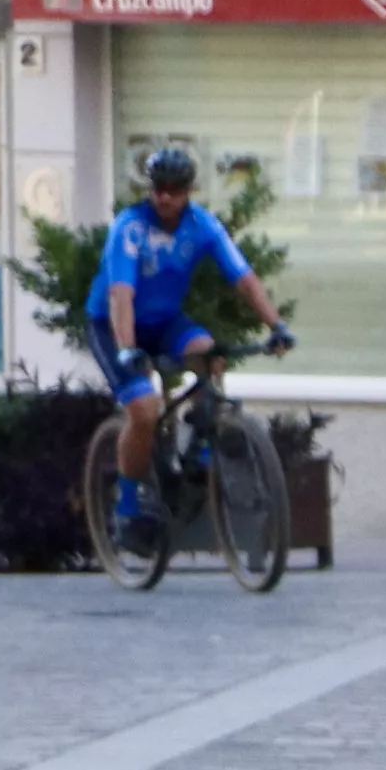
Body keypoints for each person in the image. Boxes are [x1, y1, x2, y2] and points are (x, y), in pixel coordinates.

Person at [98, 147, 287, 536]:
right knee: (145, 412)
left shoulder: (203, 225)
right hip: (113, 324)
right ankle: (127, 507)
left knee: (209, 356)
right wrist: (129, 349)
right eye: (159, 188)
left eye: (175, 189)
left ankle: (200, 449)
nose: (166, 197)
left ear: (189, 191)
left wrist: (276, 325)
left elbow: (245, 280)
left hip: (165, 321)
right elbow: (121, 295)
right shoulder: (129, 227)